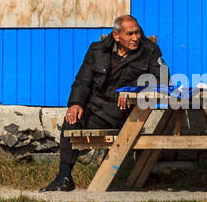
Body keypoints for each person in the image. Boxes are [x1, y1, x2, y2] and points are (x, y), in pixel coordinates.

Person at [40, 15, 169, 192]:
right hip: (95, 109)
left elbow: (163, 78)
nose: (135, 37)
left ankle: (105, 178)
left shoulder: (150, 51)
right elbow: (82, 82)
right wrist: (75, 104)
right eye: (130, 34)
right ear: (116, 36)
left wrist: (132, 89)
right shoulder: (97, 50)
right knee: (71, 119)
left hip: (124, 114)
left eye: (137, 32)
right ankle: (64, 176)